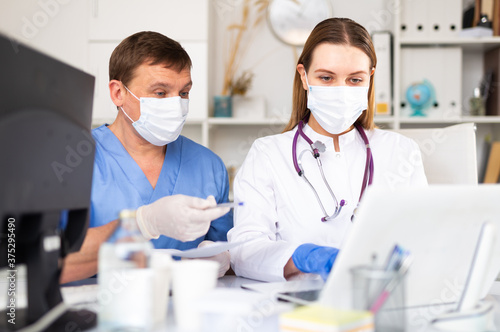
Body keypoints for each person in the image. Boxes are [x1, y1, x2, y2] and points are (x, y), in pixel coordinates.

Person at [228, 18, 428, 282]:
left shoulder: (401, 151)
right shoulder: (267, 154)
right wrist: (303, 257)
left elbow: (425, 238)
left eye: (355, 80)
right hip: (295, 309)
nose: (341, 92)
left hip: (379, 303)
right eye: (326, 77)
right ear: (304, 76)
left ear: (370, 78)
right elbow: (244, 251)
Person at [61, 31, 232, 283]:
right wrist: (141, 224)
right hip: (98, 315)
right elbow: (50, 265)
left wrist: (223, 261)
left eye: (183, 93)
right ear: (118, 93)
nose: (176, 104)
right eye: (161, 93)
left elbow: (230, 257)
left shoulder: (209, 166)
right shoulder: (72, 160)